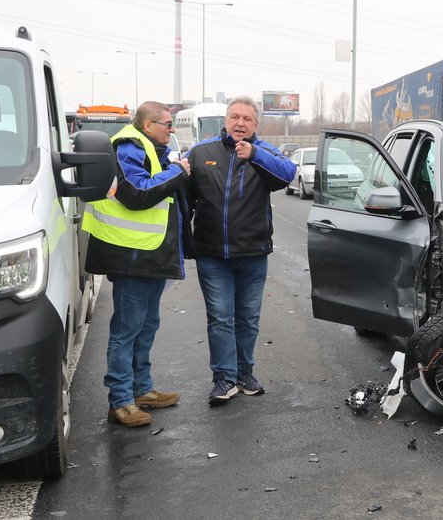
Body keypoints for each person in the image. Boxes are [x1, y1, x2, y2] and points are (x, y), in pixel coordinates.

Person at [83, 101, 193, 428]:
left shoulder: (151, 148)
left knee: (147, 325)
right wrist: (179, 171)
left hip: (149, 255)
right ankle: (120, 400)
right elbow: (135, 193)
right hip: (132, 256)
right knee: (126, 330)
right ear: (148, 126)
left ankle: (142, 389)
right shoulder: (128, 146)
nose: (171, 130)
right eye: (167, 124)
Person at [184, 96, 296, 406]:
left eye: (247, 119)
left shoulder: (264, 153)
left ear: (256, 125)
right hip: (212, 254)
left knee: (248, 318)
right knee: (220, 318)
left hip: (253, 253)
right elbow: (185, 199)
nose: (240, 123)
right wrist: (184, 243)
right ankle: (224, 378)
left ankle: (245, 373)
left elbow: (288, 172)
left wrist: (255, 155)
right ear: (225, 121)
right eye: (235, 117)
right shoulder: (201, 152)